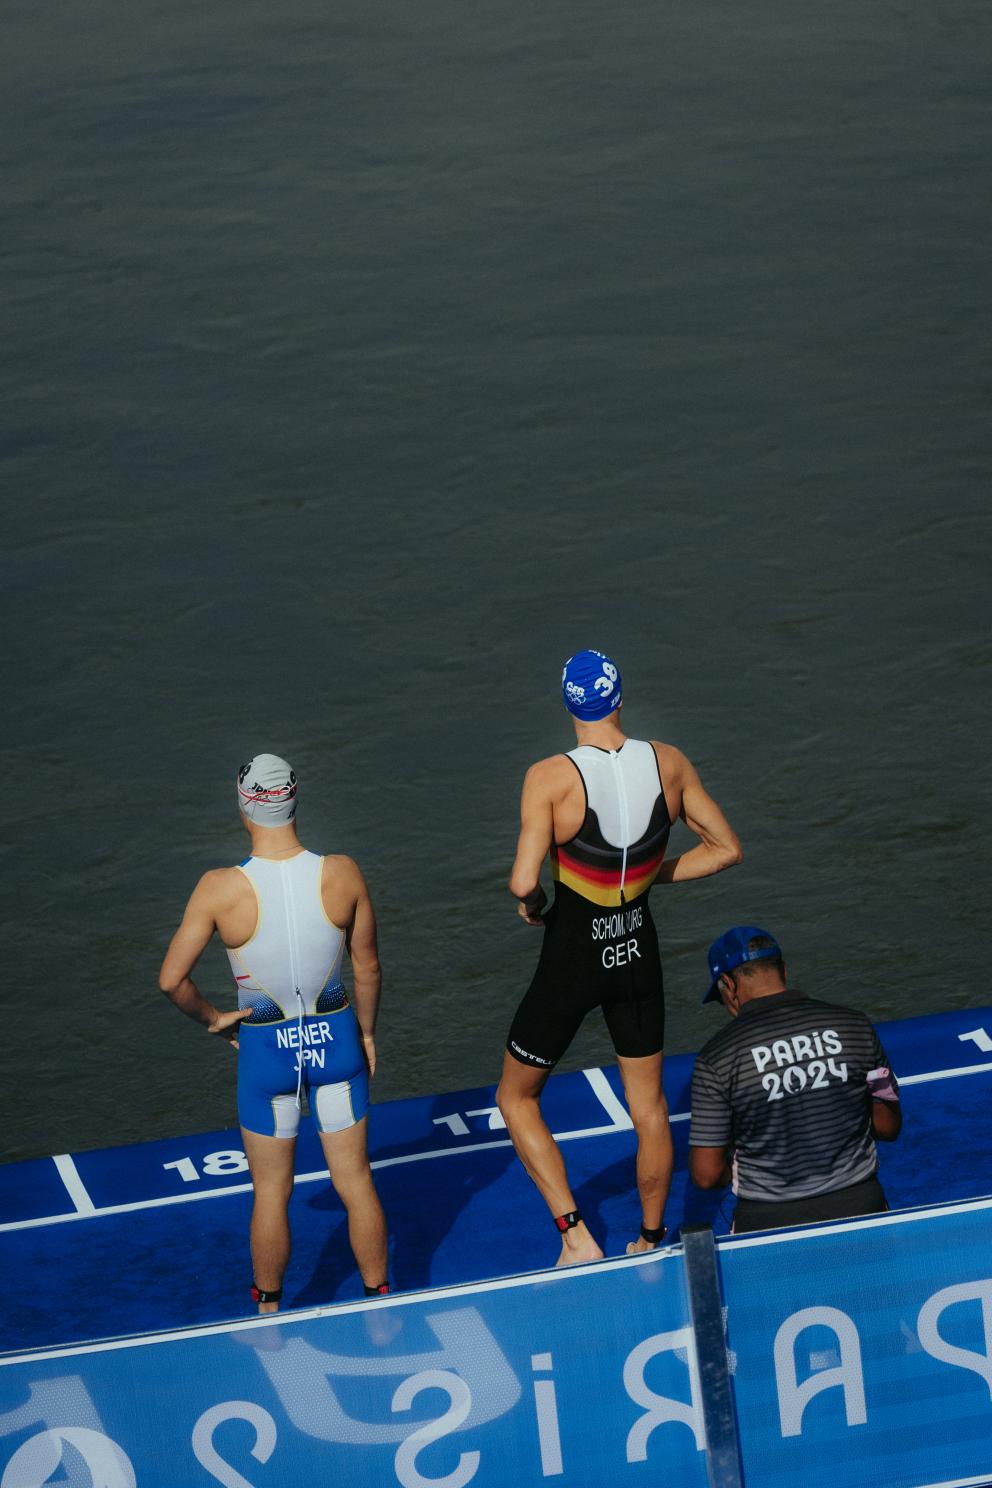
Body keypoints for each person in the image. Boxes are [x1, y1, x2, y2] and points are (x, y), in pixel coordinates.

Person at [496, 649, 743, 1265]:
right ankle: (651, 1238)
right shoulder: (669, 761)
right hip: (639, 950)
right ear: (619, 699)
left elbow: (524, 880)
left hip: (574, 958)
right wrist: (645, 876)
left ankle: (576, 1236)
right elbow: (726, 849)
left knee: (516, 1098)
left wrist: (535, 902)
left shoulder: (549, 777)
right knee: (650, 1107)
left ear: (567, 704)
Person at [158, 753, 388, 1312]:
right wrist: (367, 1033)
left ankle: (268, 1308)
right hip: (336, 1043)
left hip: (267, 1052)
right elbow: (368, 967)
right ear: (294, 799)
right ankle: (380, 1301)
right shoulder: (342, 872)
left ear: (244, 806)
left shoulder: (219, 889)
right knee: (355, 1182)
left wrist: (214, 1020)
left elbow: (171, 981)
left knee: (271, 1192)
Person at [689, 925, 902, 1233]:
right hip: (861, 1207)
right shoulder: (854, 1026)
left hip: (767, 1222)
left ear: (728, 985)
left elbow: (707, 1174)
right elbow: (887, 1125)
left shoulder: (717, 1057)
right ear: (784, 971)